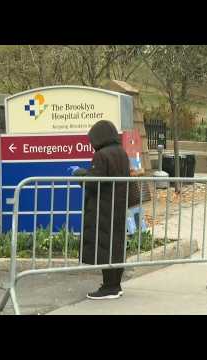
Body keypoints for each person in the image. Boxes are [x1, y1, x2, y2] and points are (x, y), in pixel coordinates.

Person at [68, 120, 132, 300]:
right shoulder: (121, 153)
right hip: (118, 206)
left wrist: (79, 173)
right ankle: (114, 284)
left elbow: (95, 181)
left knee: (104, 246)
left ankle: (109, 288)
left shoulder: (101, 155)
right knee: (115, 244)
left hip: (103, 207)